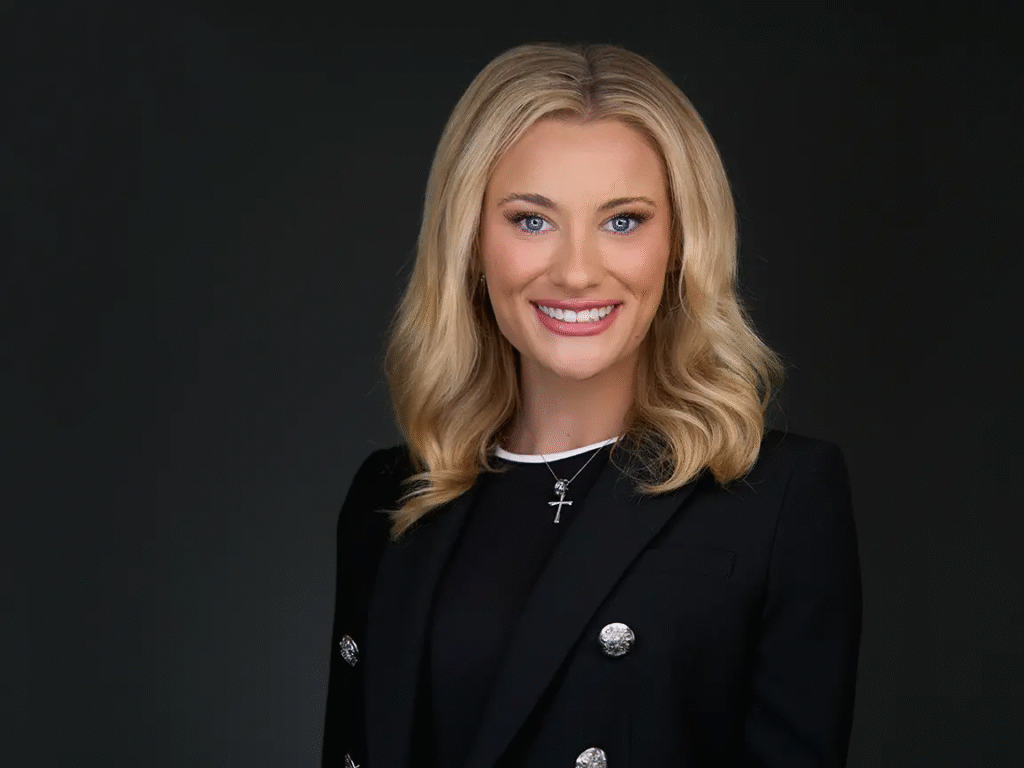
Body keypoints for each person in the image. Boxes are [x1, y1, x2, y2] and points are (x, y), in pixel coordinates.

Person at [321, 41, 862, 768]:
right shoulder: (389, 496)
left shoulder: (779, 502)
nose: (577, 272)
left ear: (681, 244)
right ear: (470, 242)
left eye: (623, 220)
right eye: (531, 220)